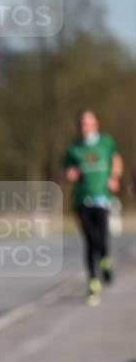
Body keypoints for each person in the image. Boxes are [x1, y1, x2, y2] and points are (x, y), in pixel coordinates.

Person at [60, 110, 122, 306]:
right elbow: (64, 170)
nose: (84, 126)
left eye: (87, 123)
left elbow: (116, 160)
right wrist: (68, 174)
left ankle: (105, 261)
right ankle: (93, 284)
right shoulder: (73, 148)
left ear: (95, 124)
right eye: (81, 123)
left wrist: (114, 177)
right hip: (82, 200)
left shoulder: (105, 142)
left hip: (102, 198)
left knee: (102, 239)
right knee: (89, 241)